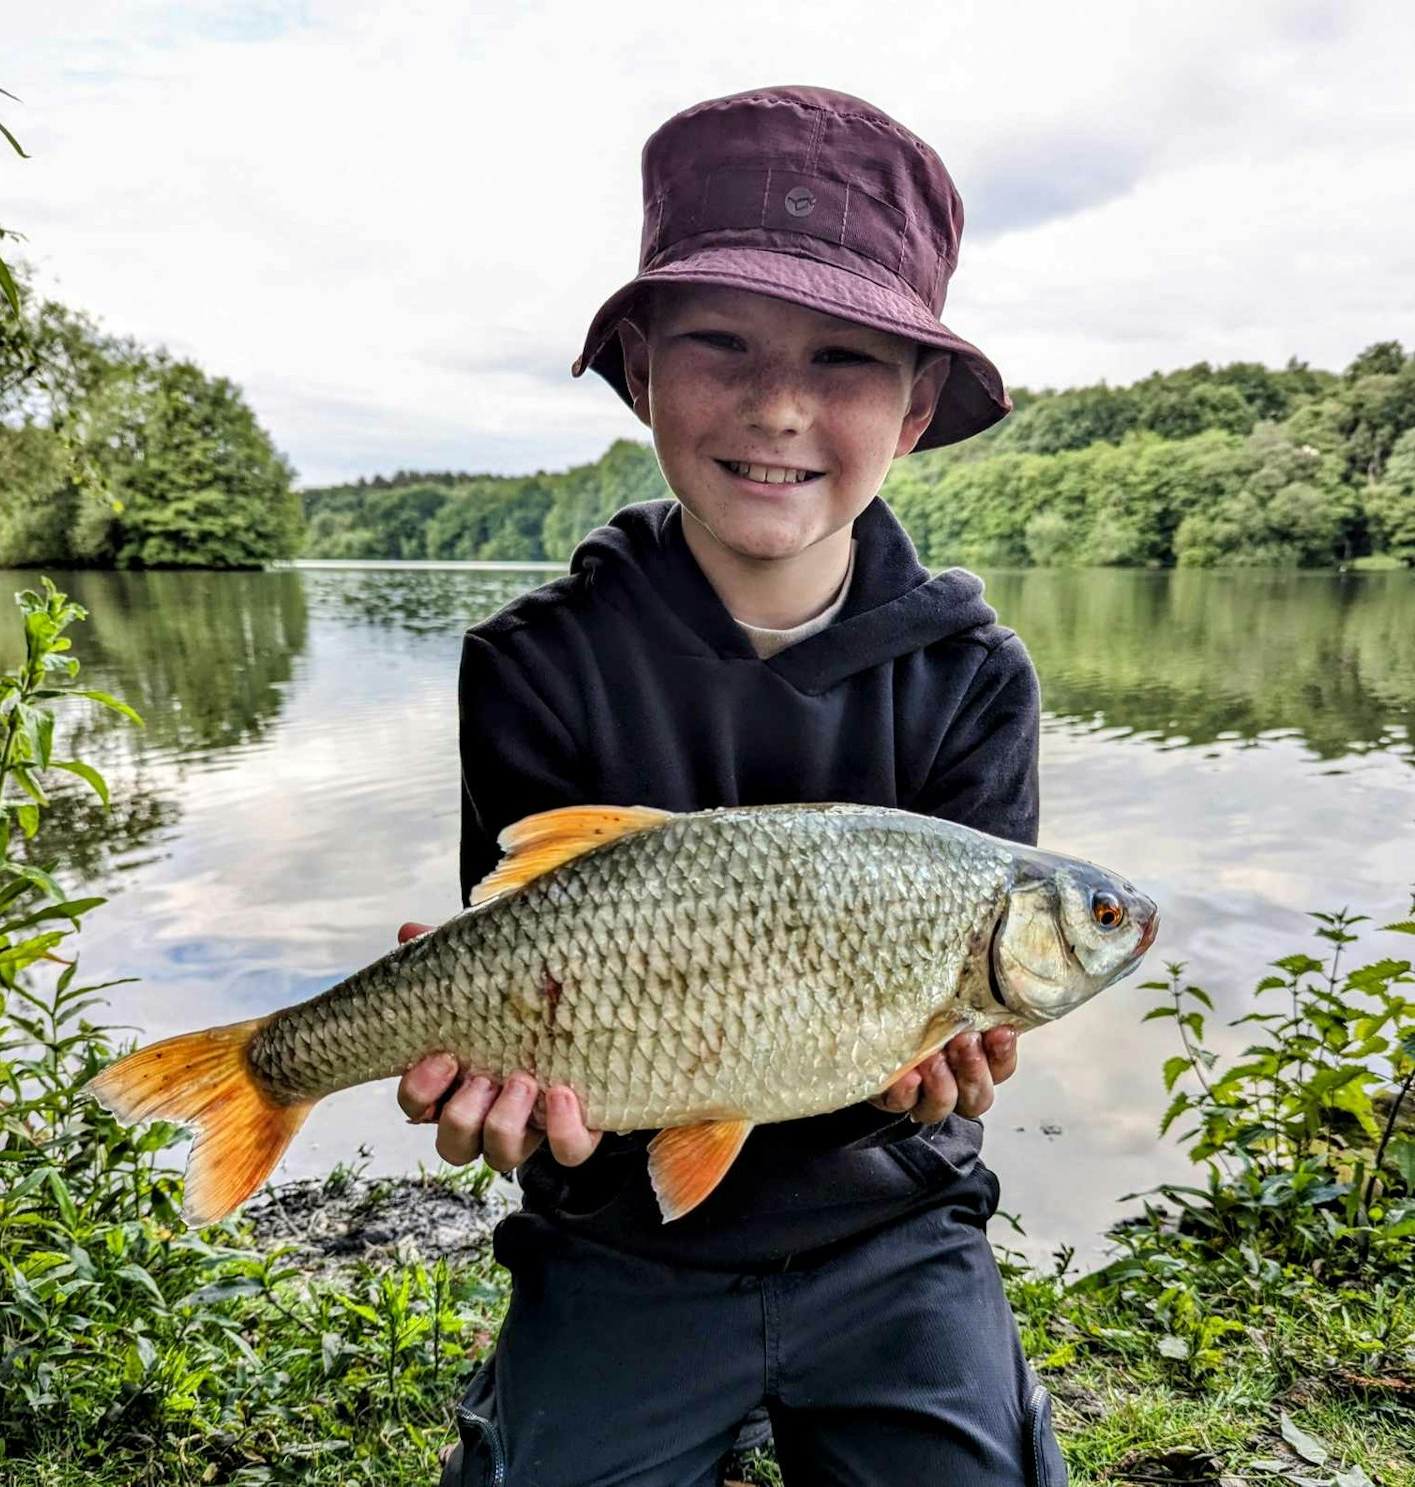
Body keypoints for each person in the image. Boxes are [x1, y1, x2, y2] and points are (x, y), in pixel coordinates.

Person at [395, 85, 1064, 1487]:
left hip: (894, 1232)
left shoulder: (975, 678)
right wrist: (490, 1069)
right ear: (641, 367)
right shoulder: (533, 665)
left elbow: (948, 1056)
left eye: (843, 358)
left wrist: (942, 1072)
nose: (777, 405)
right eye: (722, 344)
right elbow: (532, 945)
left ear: (919, 400)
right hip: (616, 1232)